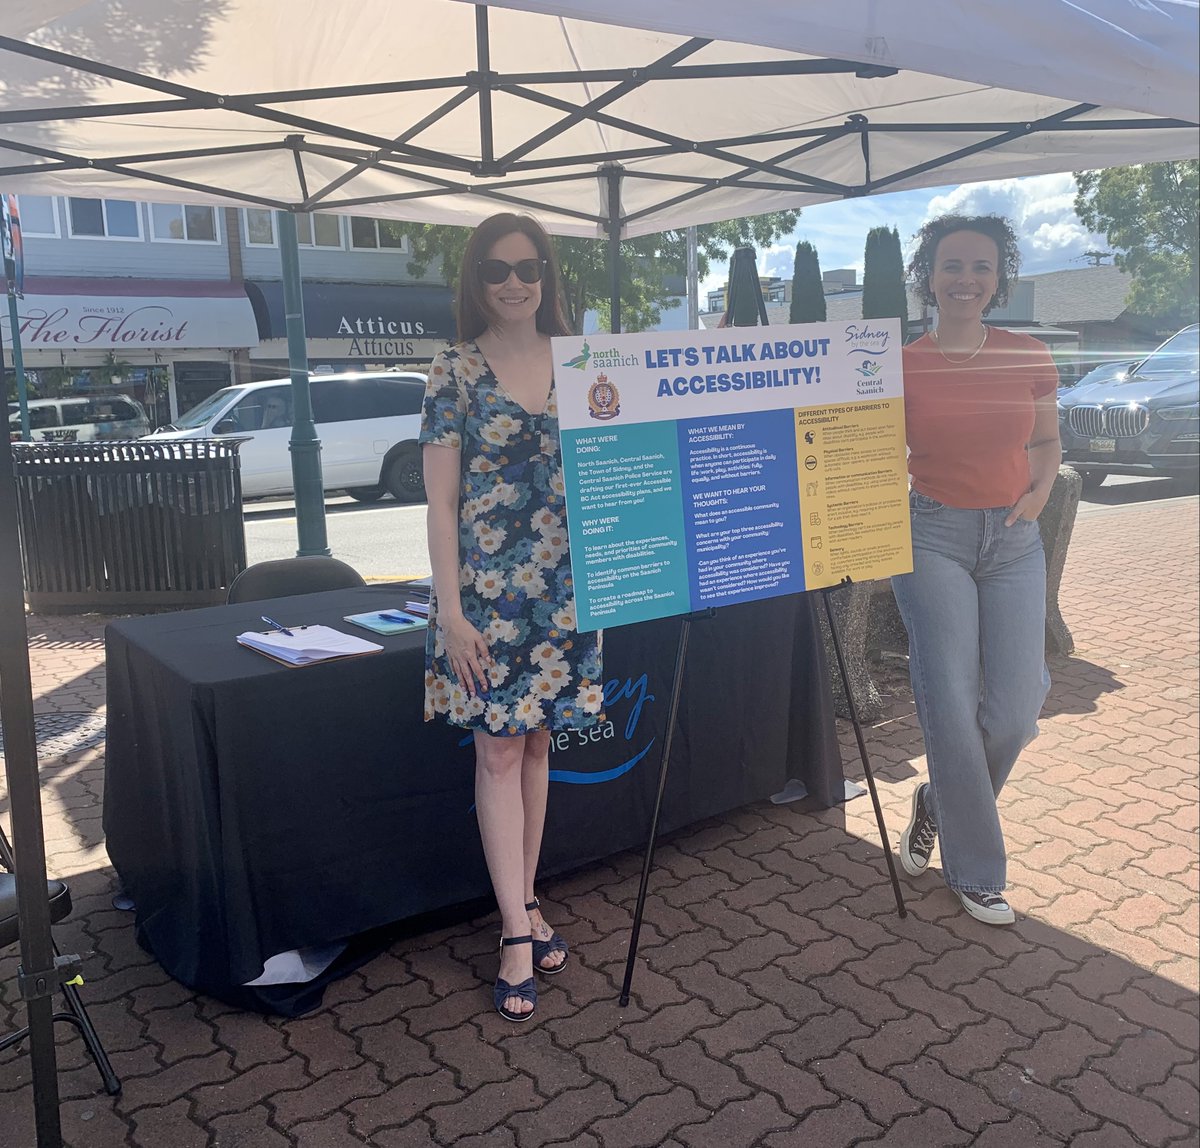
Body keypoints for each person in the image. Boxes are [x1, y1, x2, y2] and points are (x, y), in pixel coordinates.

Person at [419, 212, 604, 1021]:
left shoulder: (587, 361)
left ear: (548, 275)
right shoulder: (453, 369)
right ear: (476, 281)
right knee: (497, 753)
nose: (514, 281)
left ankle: (526, 900)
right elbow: (440, 501)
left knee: (535, 745)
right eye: (497, 269)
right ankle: (513, 932)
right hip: (489, 599)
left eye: (528, 266)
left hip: (570, 591)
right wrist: (450, 611)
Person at [893, 213, 1061, 926]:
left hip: (1014, 539)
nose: (966, 279)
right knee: (951, 706)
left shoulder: (1029, 353)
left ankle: (938, 802)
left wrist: (1039, 493)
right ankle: (977, 871)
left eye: (981, 267)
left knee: (1018, 709)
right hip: (931, 536)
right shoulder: (899, 363)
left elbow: (1049, 440)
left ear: (999, 278)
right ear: (928, 276)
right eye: (952, 266)